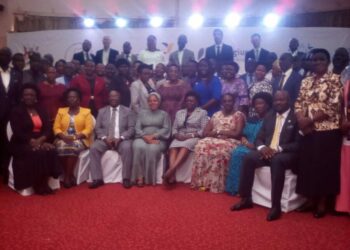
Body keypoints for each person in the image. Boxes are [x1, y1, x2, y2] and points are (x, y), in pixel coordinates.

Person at [231, 91, 299, 221]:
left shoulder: (295, 116)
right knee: (249, 157)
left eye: (282, 100)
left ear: (289, 101)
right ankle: (245, 199)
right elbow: (259, 138)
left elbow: (298, 144)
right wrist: (262, 148)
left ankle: (275, 206)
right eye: (276, 100)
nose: (278, 102)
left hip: (286, 154)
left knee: (277, 161)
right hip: (267, 151)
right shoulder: (270, 115)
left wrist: (278, 149)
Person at [295, 48, 343, 219]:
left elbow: (333, 107)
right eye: (314, 60)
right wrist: (301, 119)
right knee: (307, 165)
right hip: (307, 129)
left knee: (324, 166)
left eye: (321, 59)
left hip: (327, 130)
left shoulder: (335, 79)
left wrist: (309, 120)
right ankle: (310, 199)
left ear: (328, 61)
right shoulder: (306, 81)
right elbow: (299, 102)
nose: (317, 62)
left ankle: (322, 202)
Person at [10, 84, 60, 195]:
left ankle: (46, 181)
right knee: (39, 152)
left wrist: (42, 140)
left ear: (36, 97)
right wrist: (33, 142)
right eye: (26, 94)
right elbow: (17, 132)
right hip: (21, 143)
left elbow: (48, 128)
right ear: (22, 97)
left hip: (40, 140)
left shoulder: (41, 110)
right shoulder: (16, 111)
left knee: (51, 150)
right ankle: (39, 185)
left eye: (31, 94)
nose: (29, 97)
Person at [191, 93, 245, 193]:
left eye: (230, 101)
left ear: (234, 102)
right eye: (225, 101)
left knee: (220, 148)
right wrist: (218, 132)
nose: (227, 103)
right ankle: (202, 182)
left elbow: (237, 134)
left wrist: (224, 133)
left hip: (231, 141)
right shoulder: (216, 115)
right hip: (215, 138)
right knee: (200, 145)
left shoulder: (239, 115)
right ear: (221, 103)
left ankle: (217, 184)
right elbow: (205, 132)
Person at [225, 92, 272, 195]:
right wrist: (245, 141)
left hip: (261, 148)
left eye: (261, 103)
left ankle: (242, 190)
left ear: (267, 104)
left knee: (240, 153)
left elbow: (270, 139)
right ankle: (234, 188)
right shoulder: (252, 119)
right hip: (247, 145)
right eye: (256, 104)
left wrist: (255, 146)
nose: (258, 106)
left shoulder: (271, 119)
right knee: (237, 151)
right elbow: (244, 134)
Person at [89, 89, 136, 189]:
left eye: (116, 96)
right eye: (111, 96)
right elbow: (97, 128)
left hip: (121, 139)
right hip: (105, 140)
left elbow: (131, 128)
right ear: (108, 98)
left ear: (120, 98)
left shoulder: (128, 111)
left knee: (127, 147)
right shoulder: (102, 111)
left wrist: (121, 138)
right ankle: (97, 179)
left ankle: (126, 178)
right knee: (93, 148)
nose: (113, 98)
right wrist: (105, 138)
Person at [163, 91, 208, 184]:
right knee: (173, 147)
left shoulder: (202, 112)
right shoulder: (180, 112)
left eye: (192, 101)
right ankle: (172, 175)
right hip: (179, 136)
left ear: (196, 102)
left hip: (193, 137)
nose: (189, 102)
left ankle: (170, 172)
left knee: (185, 146)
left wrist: (190, 135)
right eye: (187, 100)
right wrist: (176, 135)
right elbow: (174, 128)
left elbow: (203, 130)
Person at [53, 88, 93, 188]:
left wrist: (75, 137)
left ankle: (66, 177)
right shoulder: (61, 111)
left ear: (79, 99)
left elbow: (89, 128)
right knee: (61, 148)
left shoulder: (86, 112)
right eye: (69, 97)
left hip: (80, 139)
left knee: (73, 146)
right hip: (63, 138)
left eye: (74, 97)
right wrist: (63, 136)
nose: (71, 99)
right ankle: (70, 175)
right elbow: (56, 127)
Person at [131, 92, 171, 186]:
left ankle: (149, 179)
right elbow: (137, 128)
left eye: (155, 100)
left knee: (152, 148)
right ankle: (139, 177)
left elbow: (166, 129)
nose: (152, 103)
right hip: (142, 137)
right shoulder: (142, 113)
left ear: (159, 102)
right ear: (147, 102)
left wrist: (153, 136)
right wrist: (145, 137)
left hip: (159, 139)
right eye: (150, 101)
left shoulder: (164, 114)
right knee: (137, 146)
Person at [0, 47, 21, 182]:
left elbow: (19, 95)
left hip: (12, 114)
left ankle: (6, 171)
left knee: (9, 142)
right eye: (2, 55)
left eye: (7, 55)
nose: (4, 57)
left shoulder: (16, 73)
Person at [335, 79, 350, 213]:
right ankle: (344, 206)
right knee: (346, 170)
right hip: (347, 133)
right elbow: (342, 106)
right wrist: (343, 120)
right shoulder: (347, 83)